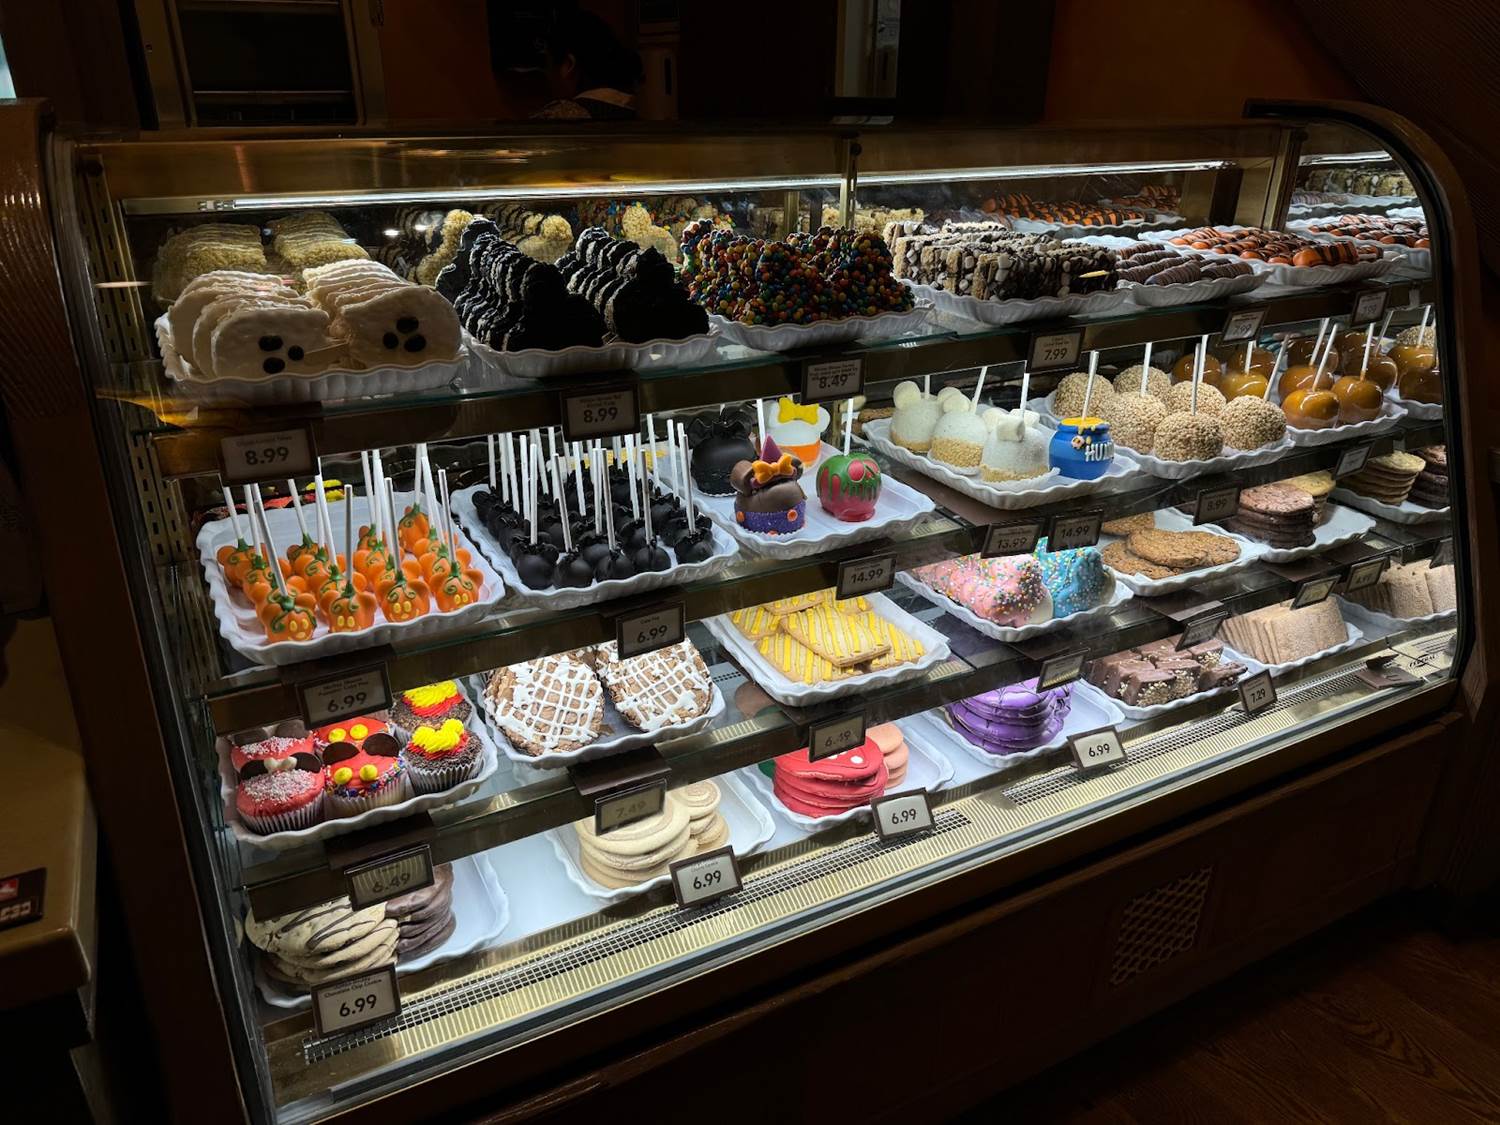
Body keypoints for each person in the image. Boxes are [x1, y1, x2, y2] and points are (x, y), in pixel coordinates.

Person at [530, 6, 643, 120]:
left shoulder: (558, 116)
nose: (547, 76)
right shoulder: (634, 112)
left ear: (569, 65)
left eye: (548, 65)